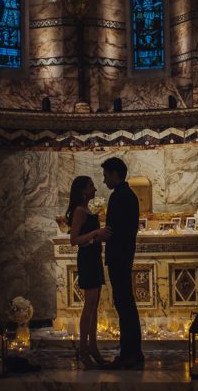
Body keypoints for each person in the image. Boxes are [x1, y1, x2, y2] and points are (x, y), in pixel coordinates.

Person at [101, 157, 145, 370]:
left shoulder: (119, 196)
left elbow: (113, 229)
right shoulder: (128, 195)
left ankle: (130, 354)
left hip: (119, 256)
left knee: (125, 305)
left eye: (106, 175)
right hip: (123, 255)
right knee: (126, 304)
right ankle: (132, 352)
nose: (104, 180)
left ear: (115, 174)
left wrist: (98, 235)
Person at [66, 176, 112, 369]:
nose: (95, 189)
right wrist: (96, 233)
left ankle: (93, 347)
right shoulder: (79, 211)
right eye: (92, 186)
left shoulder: (88, 209)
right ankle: (84, 349)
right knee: (89, 305)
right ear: (84, 191)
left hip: (93, 258)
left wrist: (98, 237)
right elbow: (74, 239)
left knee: (94, 306)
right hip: (86, 259)